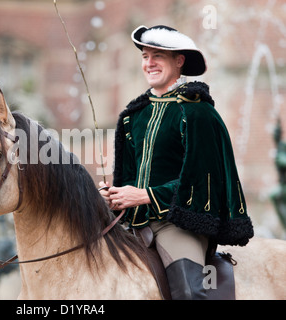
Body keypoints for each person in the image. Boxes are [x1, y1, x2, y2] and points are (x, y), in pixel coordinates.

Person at [99, 25, 254, 299]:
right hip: (133, 225)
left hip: (177, 225)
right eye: (145, 56)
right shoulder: (132, 116)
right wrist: (114, 196)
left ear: (179, 61)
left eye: (157, 55)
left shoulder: (198, 113)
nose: (149, 63)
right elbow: (128, 180)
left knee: (190, 292)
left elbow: (203, 180)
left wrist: (146, 195)